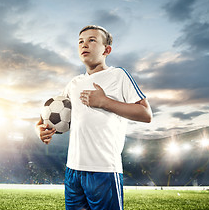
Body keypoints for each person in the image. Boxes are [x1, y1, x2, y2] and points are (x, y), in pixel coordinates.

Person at [36, 25, 152, 210]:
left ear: (107, 50)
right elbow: (50, 116)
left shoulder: (118, 75)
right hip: (73, 170)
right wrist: (40, 129)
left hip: (103, 170)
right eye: (80, 41)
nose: (84, 45)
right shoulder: (74, 83)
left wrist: (104, 102)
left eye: (92, 40)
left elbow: (146, 114)